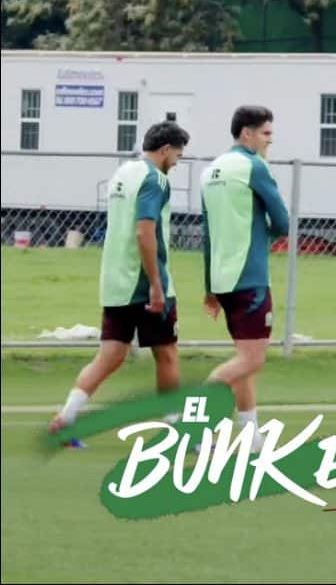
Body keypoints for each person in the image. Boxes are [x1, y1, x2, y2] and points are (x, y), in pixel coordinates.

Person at [48, 121, 190, 445]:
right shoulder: (155, 179)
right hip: (142, 283)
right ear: (165, 149)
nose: (178, 161)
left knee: (110, 355)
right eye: (178, 154)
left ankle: (65, 419)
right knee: (167, 353)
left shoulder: (123, 173)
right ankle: (179, 432)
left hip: (114, 282)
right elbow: (145, 231)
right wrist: (156, 284)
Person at [199, 106, 289, 453]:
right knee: (251, 360)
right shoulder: (254, 166)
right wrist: (261, 237)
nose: (271, 139)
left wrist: (209, 289)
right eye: (266, 133)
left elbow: (207, 235)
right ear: (247, 133)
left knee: (243, 360)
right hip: (249, 278)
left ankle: (251, 436)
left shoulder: (211, 171)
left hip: (222, 281)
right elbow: (282, 222)